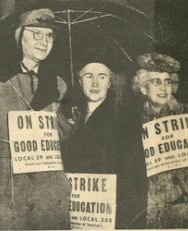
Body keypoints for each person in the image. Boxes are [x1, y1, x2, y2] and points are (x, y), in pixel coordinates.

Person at [0, 8, 71, 230]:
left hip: (48, 184)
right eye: (36, 34)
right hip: (5, 181)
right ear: (19, 36)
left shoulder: (58, 83)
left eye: (50, 35)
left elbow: (57, 140)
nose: (44, 42)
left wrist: (68, 120)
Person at [62, 50, 148, 229]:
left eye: (102, 77)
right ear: (79, 81)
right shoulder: (73, 115)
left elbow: (134, 177)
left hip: (111, 216)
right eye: (88, 76)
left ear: (110, 82)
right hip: (79, 214)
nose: (95, 83)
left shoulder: (126, 118)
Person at [132, 52, 188, 228]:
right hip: (154, 211)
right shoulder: (135, 122)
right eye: (156, 82)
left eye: (168, 81)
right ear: (143, 88)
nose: (164, 87)